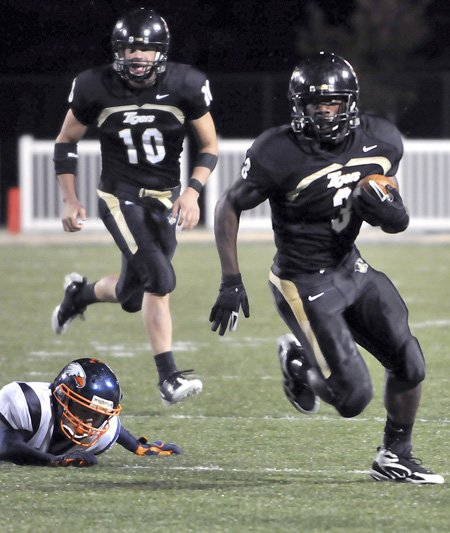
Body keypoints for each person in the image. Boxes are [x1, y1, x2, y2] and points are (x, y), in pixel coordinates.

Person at [209, 52, 444, 484]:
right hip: (301, 279)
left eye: (333, 103)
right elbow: (229, 203)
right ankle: (299, 365)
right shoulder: (278, 151)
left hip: (350, 267)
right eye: (315, 105)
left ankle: (395, 455)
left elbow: (395, 216)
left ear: (349, 102)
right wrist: (230, 279)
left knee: (410, 362)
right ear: (297, 107)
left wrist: (390, 212)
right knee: (353, 397)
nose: (324, 112)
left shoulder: (383, 139)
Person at [51, 6, 218, 406]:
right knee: (161, 280)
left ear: (161, 51)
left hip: (164, 198)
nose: (138, 56)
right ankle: (169, 378)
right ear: (118, 51)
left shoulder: (186, 84)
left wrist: (193, 191)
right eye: (130, 48)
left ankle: (80, 294)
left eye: (146, 48)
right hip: (119, 196)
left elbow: (208, 145)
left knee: (131, 294)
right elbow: (65, 142)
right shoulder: (95, 86)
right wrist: (70, 199)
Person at [0, 357, 182, 467]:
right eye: (82, 411)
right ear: (62, 397)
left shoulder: (103, 430)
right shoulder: (30, 403)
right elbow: (7, 447)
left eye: (97, 416)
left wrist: (138, 447)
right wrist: (55, 460)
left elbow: (115, 428)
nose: (87, 423)